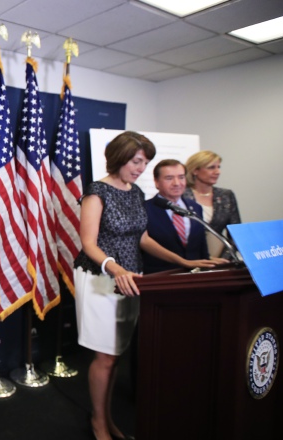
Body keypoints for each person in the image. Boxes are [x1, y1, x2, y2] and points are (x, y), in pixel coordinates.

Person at [73, 131, 216, 440]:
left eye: (145, 162)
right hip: (100, 279)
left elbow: (142, 238)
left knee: (117, 354)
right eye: (137, 161)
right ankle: (99, 423)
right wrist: (115, 267)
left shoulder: (135, 192)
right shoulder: (96, 191)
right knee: (105, 356)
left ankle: (107, 417)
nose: (141, 168)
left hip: (132, 279)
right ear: (120, 157)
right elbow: (88, 243)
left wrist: (184, 262)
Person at [142, 159, 223, 273]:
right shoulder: (144, 209)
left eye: (181, 177)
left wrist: (210, 262)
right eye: (169, 178)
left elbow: (201, 248)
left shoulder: (195, 207)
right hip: (160, 278)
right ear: (156, 182)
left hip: (196, 278)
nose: (177, 183)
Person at [183, 150, 241, 258]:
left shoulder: (226, 195)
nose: (217, 171)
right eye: (211, 167)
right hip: (188, 259)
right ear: (195, 170)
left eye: (219, 167)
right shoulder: (182, 195)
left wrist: (224, 259)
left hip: (221, 260)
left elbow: (236, 234)